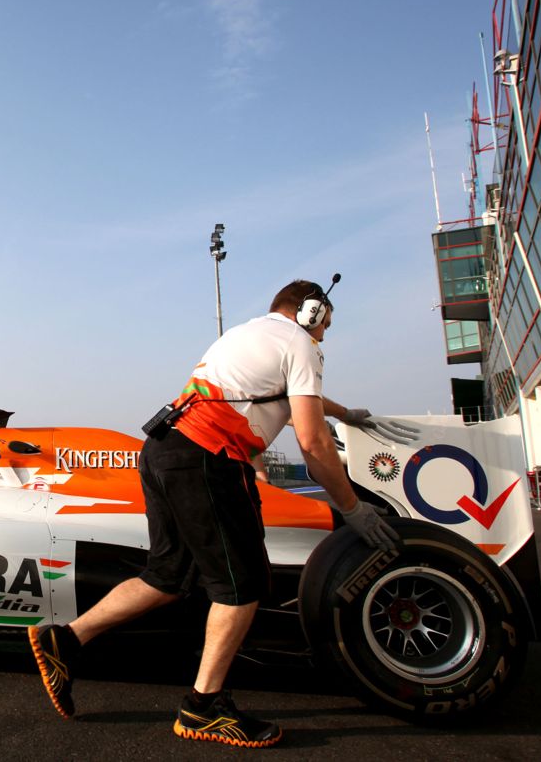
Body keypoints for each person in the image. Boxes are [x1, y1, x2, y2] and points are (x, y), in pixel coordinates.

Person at [27, 279, 401, 748]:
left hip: (164, 448)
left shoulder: (251, 334)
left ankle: (65, 641)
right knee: (241, 585)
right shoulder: (301, 343)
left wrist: (345, 413)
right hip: (208, 457)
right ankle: (203, 707)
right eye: (327, 322)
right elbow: (312, 443)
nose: (327, 333)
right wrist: (353, 508)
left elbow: (293, 395)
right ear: (310, 312)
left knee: (167, 575)